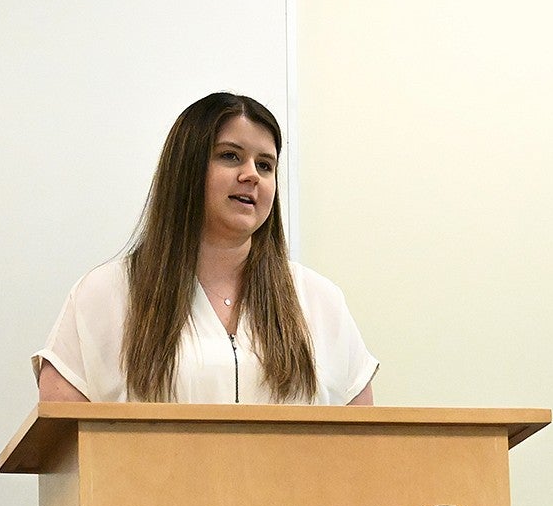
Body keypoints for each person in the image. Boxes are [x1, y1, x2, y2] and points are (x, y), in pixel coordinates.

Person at [33, 92, 378, 405]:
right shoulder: (104, 294)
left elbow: (363, 448)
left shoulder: (320, 301)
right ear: (186, 169)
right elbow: (64, 450)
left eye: (265, 165)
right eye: (230, 156)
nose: (251, 176)